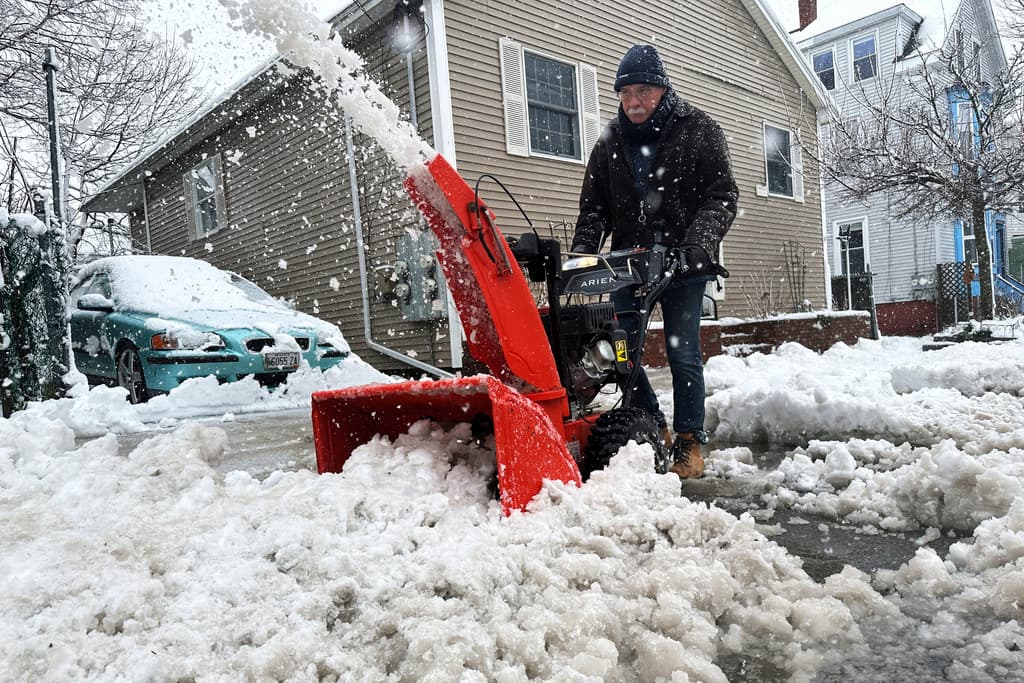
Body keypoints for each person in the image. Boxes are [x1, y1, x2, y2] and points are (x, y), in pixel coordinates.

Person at [571, 44, 738, 479]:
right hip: (630, 265)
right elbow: (594, 209)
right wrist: (582, 257)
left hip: (684, 265)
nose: (634, 102)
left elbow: (721, 197)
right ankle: (654, 425)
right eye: (626, 93)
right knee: (621, 352)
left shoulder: (698, 129)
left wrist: (697, 246)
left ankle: (689, 441)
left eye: (643, 91)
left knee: (683, 354)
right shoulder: (610, 140)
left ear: (663, 89)